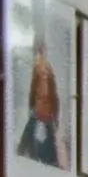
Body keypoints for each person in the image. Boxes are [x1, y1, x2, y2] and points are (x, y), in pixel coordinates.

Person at [18, 37, 61, 166]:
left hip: (43, 105)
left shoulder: (40, 66)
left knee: (34, 128)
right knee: (37, 128)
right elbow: (51, 91)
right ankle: (44, 155)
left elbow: (36, 87)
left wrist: (32, 103)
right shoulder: (47, 67)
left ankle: (26, 151)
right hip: (44, 106)